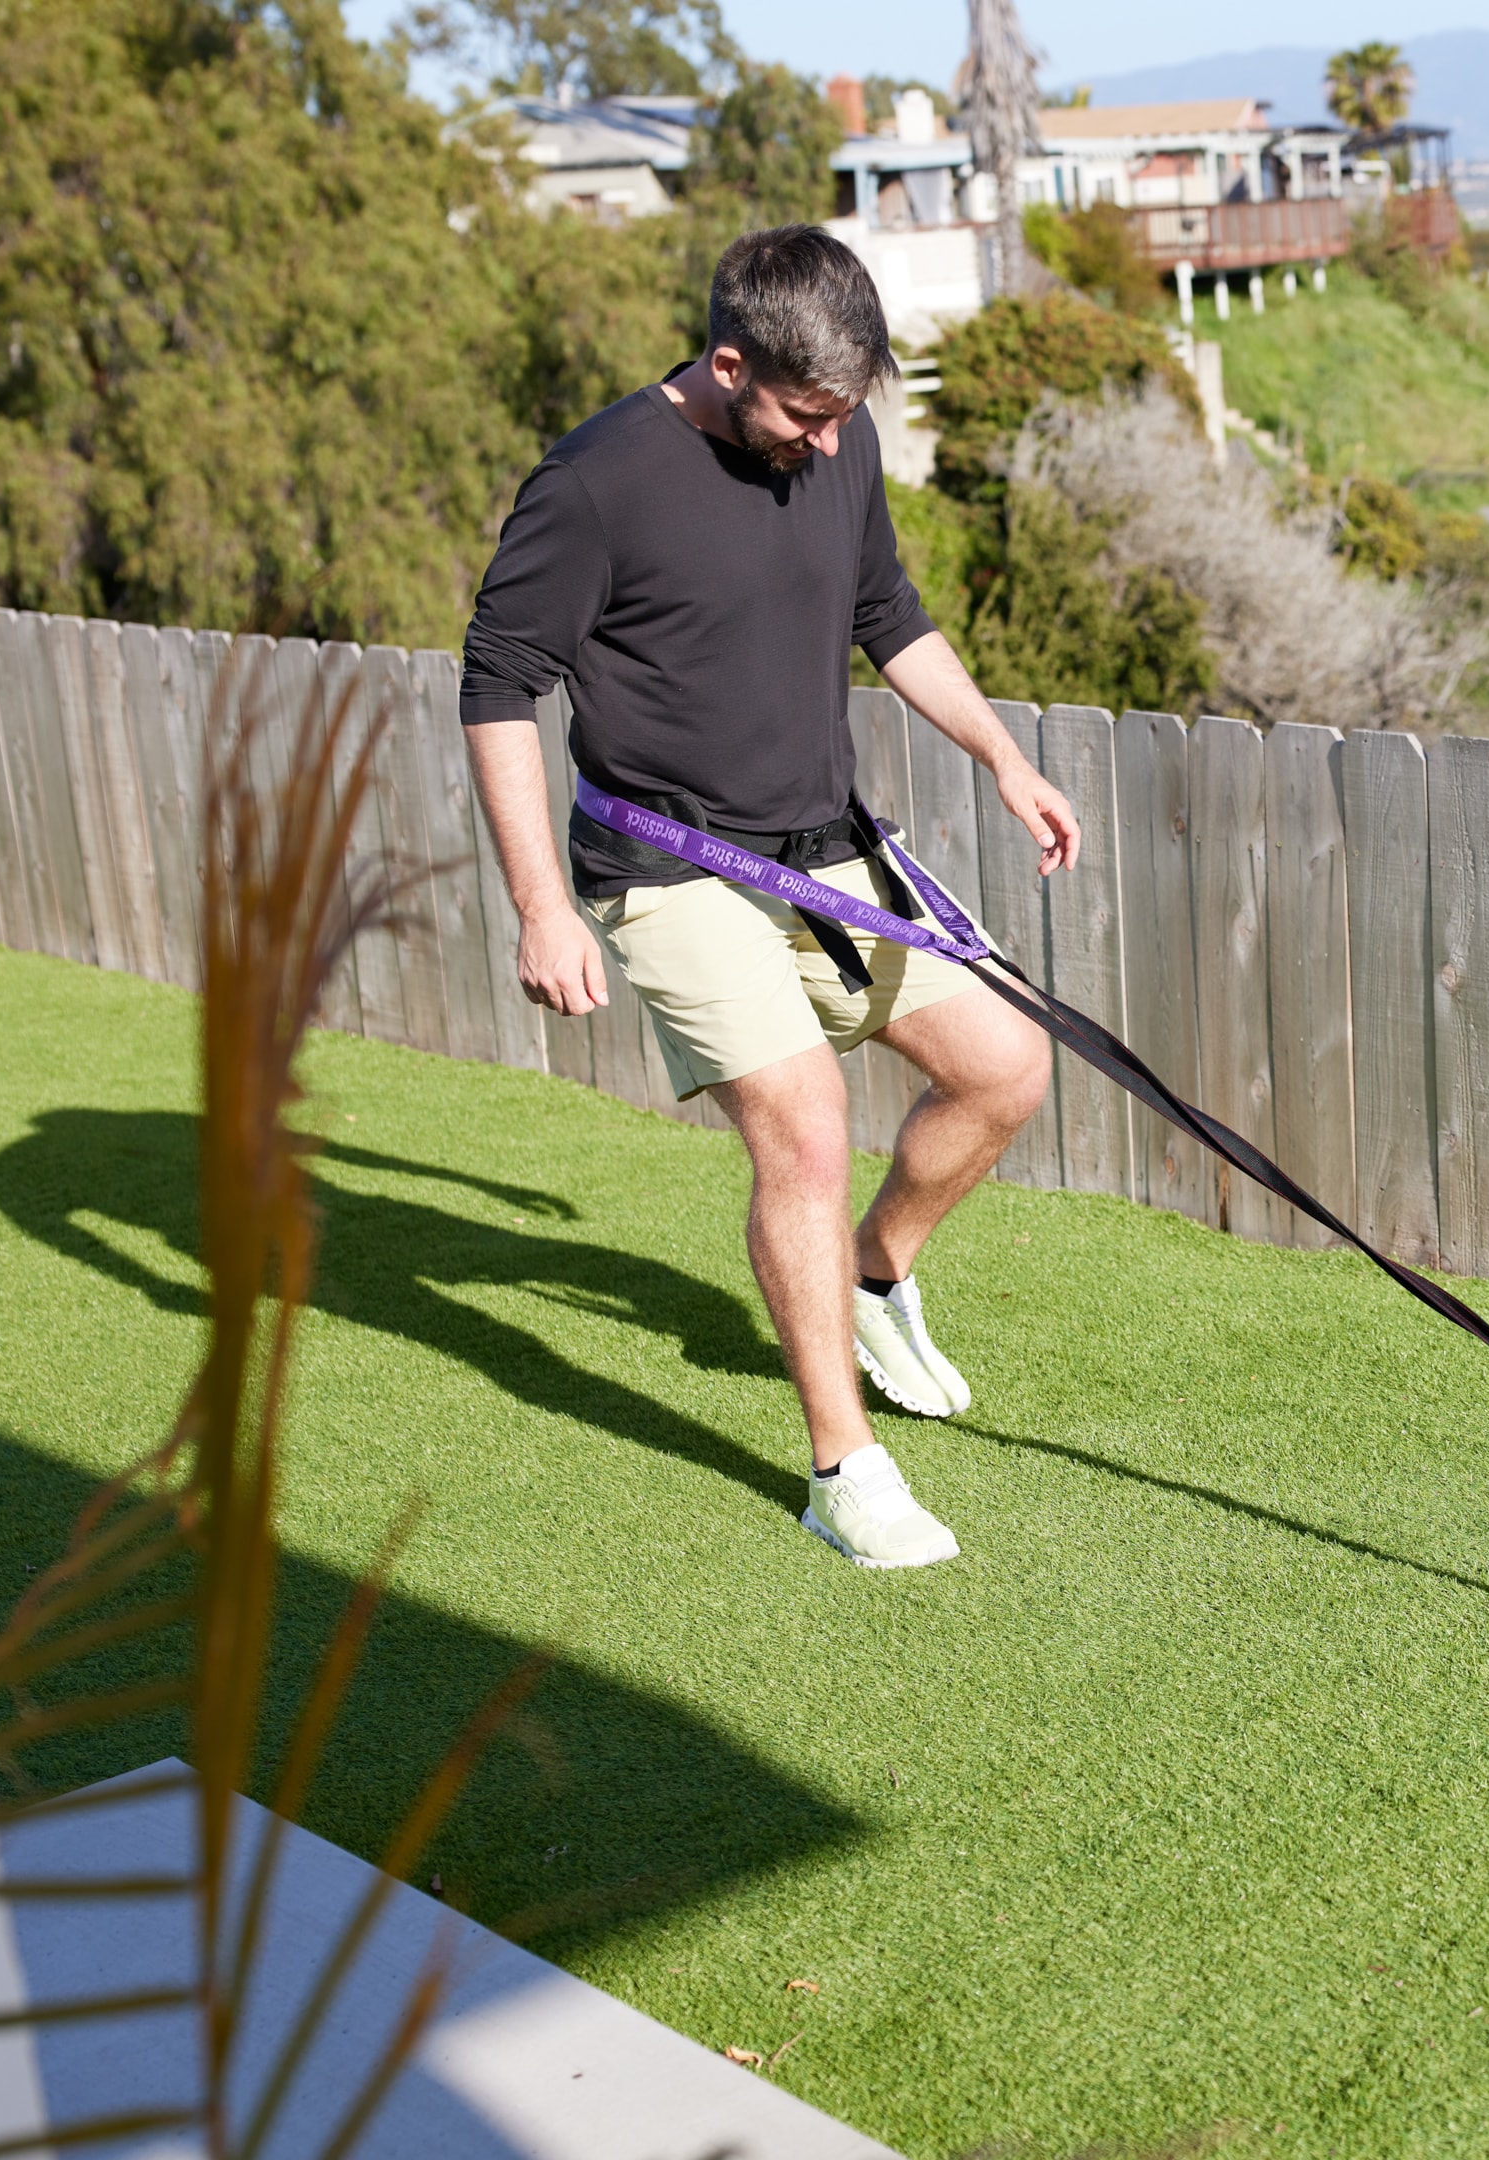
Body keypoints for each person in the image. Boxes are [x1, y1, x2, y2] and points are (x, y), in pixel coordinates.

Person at [460, 226, 1080, 1571]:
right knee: (801, 1127)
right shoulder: (594, 483)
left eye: (843, 415)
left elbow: (891, 615)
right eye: (803, 414)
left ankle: (870, 1274)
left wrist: (1005, 759)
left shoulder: (838, 434)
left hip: (824, 845)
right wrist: (539, 906)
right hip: (668, 864)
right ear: (727, 362)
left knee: (1005, 1071)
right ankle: (843, 1468)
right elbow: (498, 686)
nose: (822, 443)